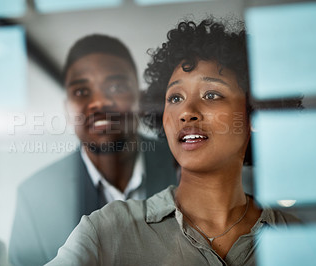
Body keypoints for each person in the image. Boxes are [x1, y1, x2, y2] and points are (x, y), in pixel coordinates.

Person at [45, 19, 300, 266]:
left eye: (211, 94)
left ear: (254, 115)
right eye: (175, 98)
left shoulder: (298, 238)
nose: (186, 111)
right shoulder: (106, 231)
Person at [9, 34, 177, 266]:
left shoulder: (184, 165)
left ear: (139, 99)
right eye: (81, 92)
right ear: (67, 109)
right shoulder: (34, 197)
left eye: (116, 86)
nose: (99, 102)